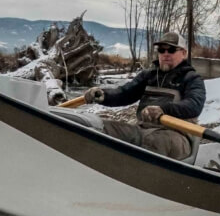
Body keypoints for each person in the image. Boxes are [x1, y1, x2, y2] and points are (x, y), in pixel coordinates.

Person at [83, 31, 206, 160]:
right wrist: (103, 95)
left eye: (171, 49)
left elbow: (194, 105)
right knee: (101, 127)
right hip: (142, 130)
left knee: (154, 141)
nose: (165, 54)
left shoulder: (192, 79)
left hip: (178, 136)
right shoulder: (148, 76)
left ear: (184, 53)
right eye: (161, 50)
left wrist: (164, 110)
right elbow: (125, 93)